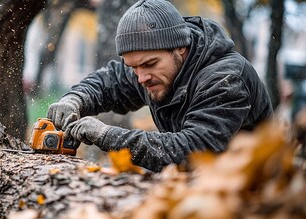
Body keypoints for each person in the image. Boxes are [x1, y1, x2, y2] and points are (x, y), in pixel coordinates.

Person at [47, 0, 273, 172]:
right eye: (134, 67)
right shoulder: (152, 69)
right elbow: (110, 81)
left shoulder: (225, 79)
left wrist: (107, 135)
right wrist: (74, 99)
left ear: (180, 48)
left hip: (254, 196)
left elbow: (193, 151)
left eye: (149, 64)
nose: (141, 77)